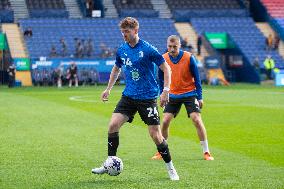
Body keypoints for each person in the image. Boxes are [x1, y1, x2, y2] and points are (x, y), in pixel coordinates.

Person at [91, 17, 179, 181]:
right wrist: (108, 89)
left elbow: (166, 68)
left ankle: (171, 168)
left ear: (136, 31)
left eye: (127, 31)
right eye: (122, 31)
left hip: (147, 98)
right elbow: (116, 68)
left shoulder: (148, 49)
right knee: (113, 125)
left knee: (156, 136)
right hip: (129, 96)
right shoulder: (122, 49)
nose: (124, 34)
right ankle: (109, 162)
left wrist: (166, 90)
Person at [151, 35, 214, 161]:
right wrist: (162, 93)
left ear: (180, 46)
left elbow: (197, 79)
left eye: (175, 47)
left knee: (196, 119)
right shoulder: (163, 59)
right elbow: (160, 79)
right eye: (170, 46)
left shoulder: (189, 57)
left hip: (190, 93)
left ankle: (206, 152)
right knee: (165, 121)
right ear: (167, 45)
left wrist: (200, 97)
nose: (172, 49)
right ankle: (161, 151)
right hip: (172, 94)